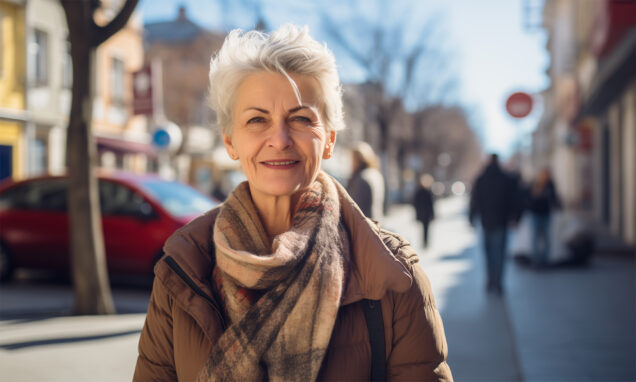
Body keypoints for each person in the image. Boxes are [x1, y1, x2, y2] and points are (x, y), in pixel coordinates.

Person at [133, 25, 452, 381]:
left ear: (329, 140)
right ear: (230, 141)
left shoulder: (393, 276)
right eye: (257, 120)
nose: (280, 139)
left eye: (300, 119)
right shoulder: (183, 266)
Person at [469, 154, 518, 295]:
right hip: (501, 222)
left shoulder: (481, 179)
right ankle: (498, 283)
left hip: (486, 222)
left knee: (488, 253)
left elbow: (474, 200)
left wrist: (472, 217)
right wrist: (514, 217)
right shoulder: (506, 179)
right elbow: (514, 200)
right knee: (500, 254)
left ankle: (491, 281)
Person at [527, 168, 560, 267]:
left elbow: (554, 198)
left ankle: (545, 259)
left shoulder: (550, 185)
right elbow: (529, 198)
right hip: (536, 213)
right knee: (535, 238)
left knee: (546, 238)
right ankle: (536, 260)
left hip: (546, 214)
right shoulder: (534, 184)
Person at [346, 141, 385, 220]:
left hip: (363, 224)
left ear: (358, 159)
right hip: (376, 221)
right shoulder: (376, 174)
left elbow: (354, 207)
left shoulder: (361, 178)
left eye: (352, 159)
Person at [413, 173, 435, 248]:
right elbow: (431, 204)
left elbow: (415, 204)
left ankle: (424, 242)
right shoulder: (425, 192)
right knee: (426, 229)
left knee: (424, 229)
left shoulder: (419, 192)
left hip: (423, 214)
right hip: (426, 214)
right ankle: (425, 242)